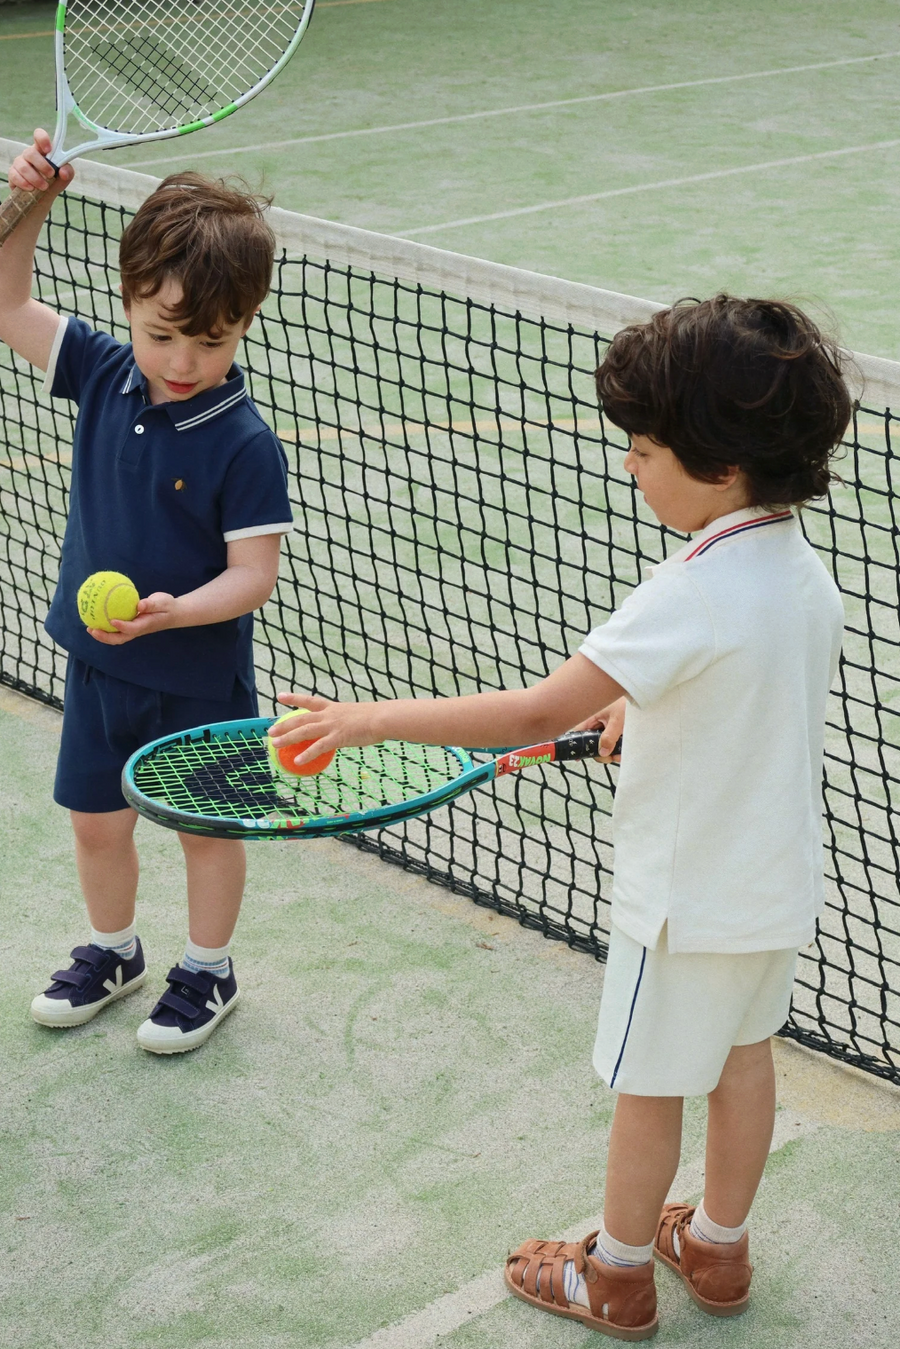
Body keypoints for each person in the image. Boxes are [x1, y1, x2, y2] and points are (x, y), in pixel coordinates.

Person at [267, 295, 850, 1338]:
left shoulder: (689, 586)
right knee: (744, 1057)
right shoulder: (802, 574)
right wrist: (641, 696)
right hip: (773, 888)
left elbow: (538, 708)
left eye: (644, 444)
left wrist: (366, 719)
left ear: (717, 464)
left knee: (648, 1084)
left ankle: (617, 1271)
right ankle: (716, 1242)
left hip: (678, 907)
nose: (631, 462)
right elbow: (739, 687)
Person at [0, 132, 293, 1054]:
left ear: (243, 322)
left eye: (208, 341)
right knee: (96, 822)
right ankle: (113, 950)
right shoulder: (97, 368)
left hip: (199, 682)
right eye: (161, 333)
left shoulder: (244, 443)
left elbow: (254, 576)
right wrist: (32, 200)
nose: (180, 359)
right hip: (99, 666)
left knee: (205, 834)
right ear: (128, 304)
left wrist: (177, 610)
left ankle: (208, 967)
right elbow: (5, 298)